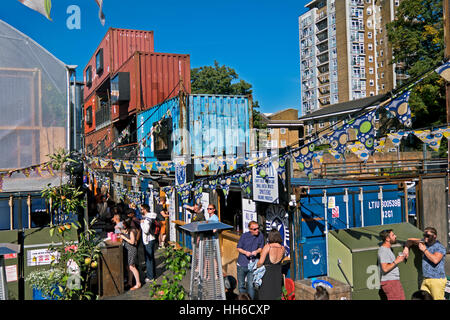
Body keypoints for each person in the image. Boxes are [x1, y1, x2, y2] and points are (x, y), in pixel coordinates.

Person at [236, 221, 264, 300]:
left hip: (252, 264)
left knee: (251, 285)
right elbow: (238, 248)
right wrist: (245, 252)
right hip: (242, 264)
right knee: (241, 285)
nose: (257, 230)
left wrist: (256, 251)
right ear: (250, 229)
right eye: (255, 229)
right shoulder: (244, 236)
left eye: (258, 228)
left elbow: (261, 248)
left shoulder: (260, 236)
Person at [417, 227, 447, 300]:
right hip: (426, 279)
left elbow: (435, 260)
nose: (425, 237)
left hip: (436, 279)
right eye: (424, 235)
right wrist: (406, 247)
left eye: (427, 236)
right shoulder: (425, 244)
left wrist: (424, 250)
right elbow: (410, 240)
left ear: (434, 236)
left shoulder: (439, 247)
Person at [377, 229, 407, 300]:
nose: (395, 236)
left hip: (394, 281)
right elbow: (385, 268)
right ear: (387, 239)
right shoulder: (383, 251)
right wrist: (396, 261)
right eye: (393, 235)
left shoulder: (388, 249)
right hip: (390, 282)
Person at [256, 228, 285, 300]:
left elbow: (261, 262)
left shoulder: (267, 247)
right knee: (276, 294)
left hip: (267, 273)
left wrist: (256, 266)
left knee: (266, 294)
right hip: (277, 273)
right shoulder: (282, 248)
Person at [119, 218, 141, 291]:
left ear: (126, 224)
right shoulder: (130, 229)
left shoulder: (131, 231)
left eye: (124, 224)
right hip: (129, 250)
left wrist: (124, 237)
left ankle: (138, 283)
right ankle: (130, 282)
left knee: (132, 267)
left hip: (131, 250)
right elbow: (124, 231)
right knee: (129, 267)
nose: (123, 225)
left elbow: (132, 242)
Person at [140, 204, 157, 283]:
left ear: (145, 210)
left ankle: (150, 277)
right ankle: (153, 274)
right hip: (151, 239)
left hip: (148, 240)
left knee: (149, 259)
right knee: (151, 258)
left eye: (141, 209)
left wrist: (141, 223)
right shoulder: (151, 216)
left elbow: (146, 230)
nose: (140, 211)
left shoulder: (147, 219)